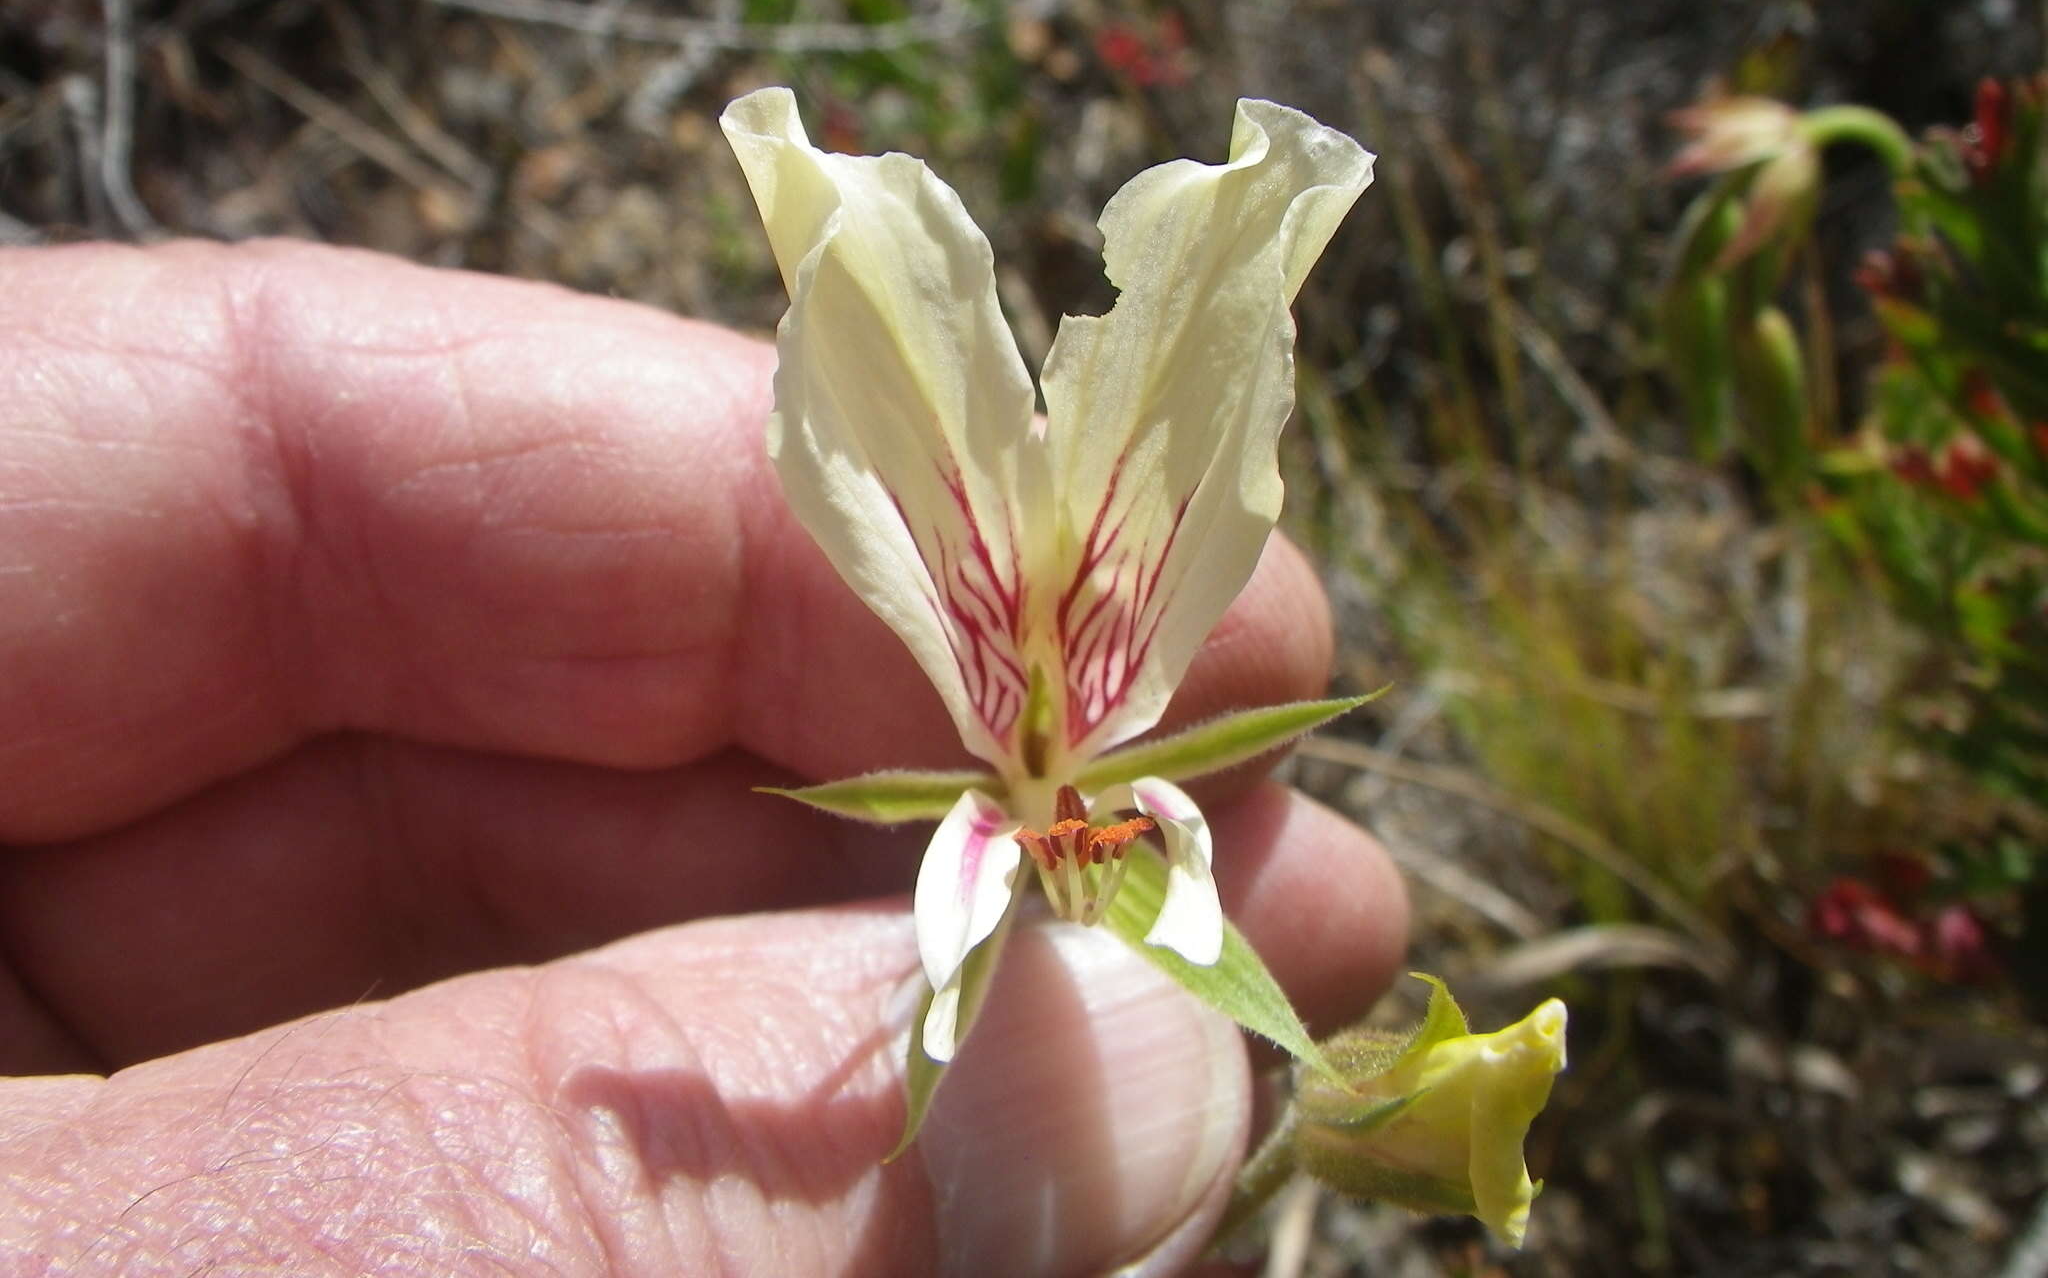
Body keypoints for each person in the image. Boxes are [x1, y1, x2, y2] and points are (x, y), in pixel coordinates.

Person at [0, 239, 1408, 1275]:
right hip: (1007, 828)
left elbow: (1111, 864)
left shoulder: (1079, 817)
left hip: (1025, 823)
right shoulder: (1033, 820)